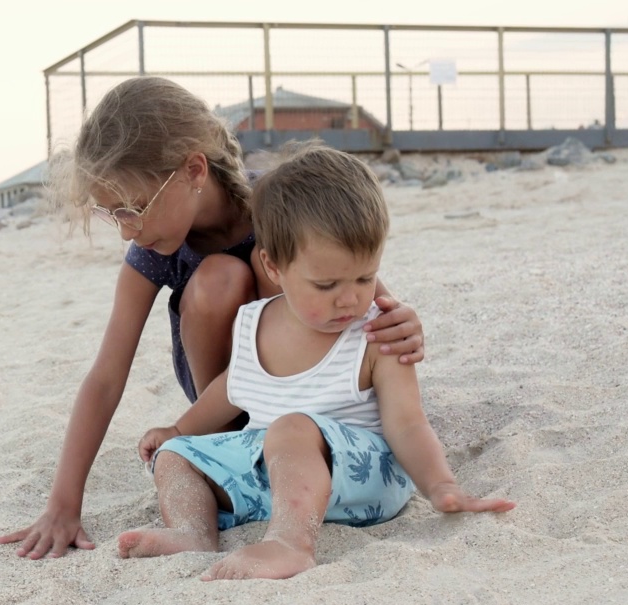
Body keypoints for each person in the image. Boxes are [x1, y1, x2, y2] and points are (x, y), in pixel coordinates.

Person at [0, 77, 425, 560]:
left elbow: (361, 291)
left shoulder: (280, 206)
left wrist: (401, 320)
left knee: (277, 262)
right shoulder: (152, 253)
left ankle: (304, 440)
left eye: (133, 209)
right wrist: (63, 503)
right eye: (112, 214)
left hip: (322, 396)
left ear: (194, 170)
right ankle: (230, 442)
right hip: (228, 403)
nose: (126, 231)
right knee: (217, 277)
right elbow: (106, 375)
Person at [123, 143, 515, 581]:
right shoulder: (253, 324)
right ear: (273, 267)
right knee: (176, 456)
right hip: (277, 478)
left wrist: (442, 487)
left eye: (365, 277)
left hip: (363, 477)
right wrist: (177, 432)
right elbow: (228, 391)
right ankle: (193, 531)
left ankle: (291, 544)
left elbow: (408, 423)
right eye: (326, 284)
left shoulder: (375, 333)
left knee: (291, 427)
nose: (350, 298)